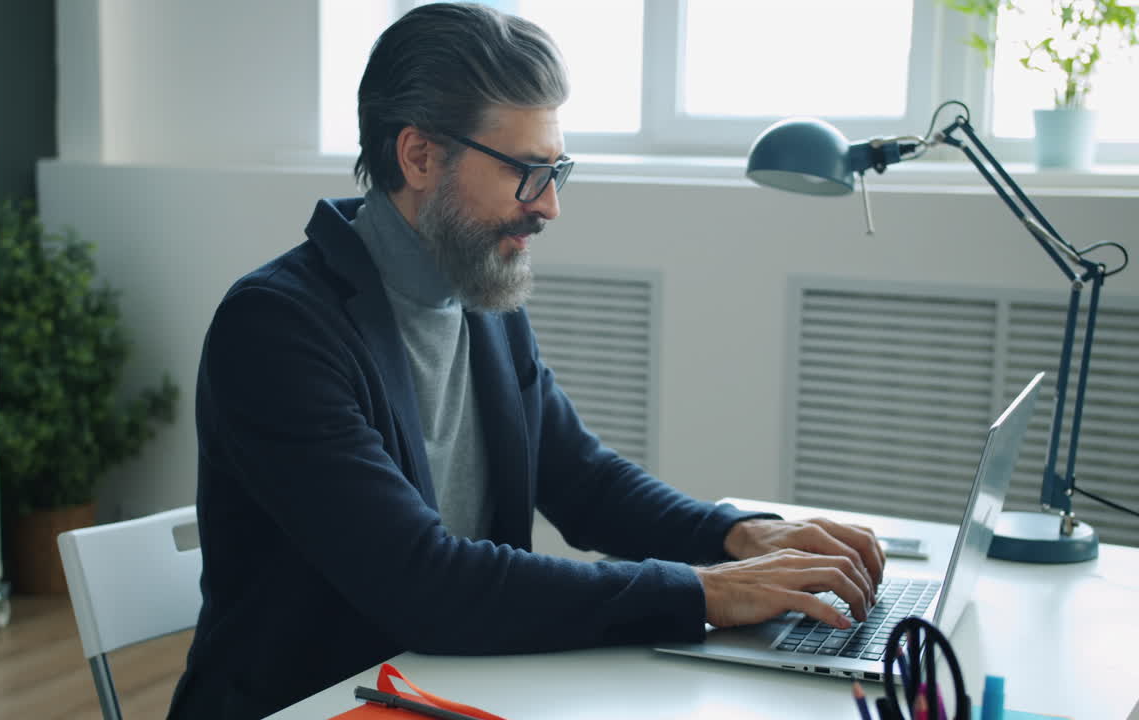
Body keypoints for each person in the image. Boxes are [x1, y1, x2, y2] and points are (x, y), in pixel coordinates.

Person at [166, 4, 885, 718]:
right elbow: (424, 584)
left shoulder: (477, 293)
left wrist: (732, 534)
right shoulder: (277, 329)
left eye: (556, 171)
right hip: (317, 703)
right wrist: (701, 591)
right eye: (526, 172)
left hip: (449, 685)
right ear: (419, 156)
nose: (549, 207)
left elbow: (581, 479)